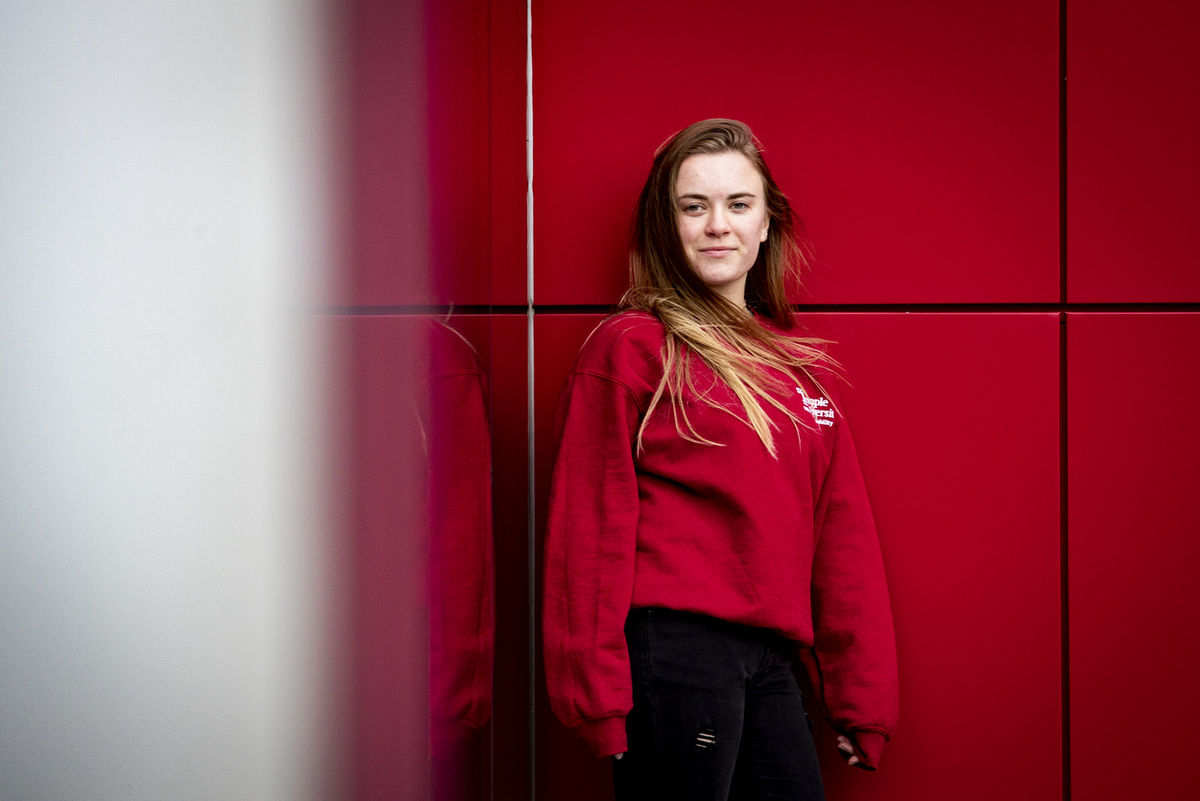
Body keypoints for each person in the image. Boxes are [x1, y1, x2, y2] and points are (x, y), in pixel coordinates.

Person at [542, 119, 898, 801]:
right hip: (675, 652)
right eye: (693, 205)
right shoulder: (630, 349)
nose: (717, 225)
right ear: (664, 225)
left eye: (738, 204)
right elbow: (586, 533)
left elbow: (841, 541)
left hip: (772, 662)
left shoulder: (800, 375)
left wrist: (862, 698)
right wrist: (596, 697)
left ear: (766, 224)